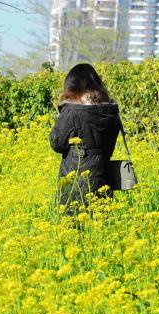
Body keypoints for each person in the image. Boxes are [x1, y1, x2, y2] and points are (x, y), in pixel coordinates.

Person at [49, 64, 123, 210]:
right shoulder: (110, 111)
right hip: (104, 178)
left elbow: (57, 143)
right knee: (100, 220)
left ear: (71, 86)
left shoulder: (72, 112)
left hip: (76, 181)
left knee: (74, 220)